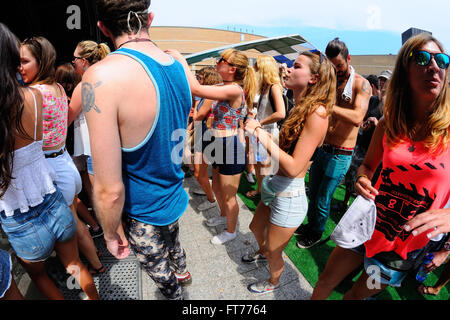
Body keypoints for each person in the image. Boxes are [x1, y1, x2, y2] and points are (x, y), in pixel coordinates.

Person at [311, 33, 450, 300]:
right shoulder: (390, 123)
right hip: (365, 224)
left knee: (356, 296)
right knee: (326, 280)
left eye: (441, 60)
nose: (434, 66)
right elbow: (369, 166)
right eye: (422, 58)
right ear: (404, 72)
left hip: (401, 247)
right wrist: (362, 178)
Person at [84, 0, 192, 300]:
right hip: (172, 191)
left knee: (158, 267)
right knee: (174, 242)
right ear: (150, 19)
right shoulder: (178, 65)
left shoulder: (103, 76)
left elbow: (108, 189)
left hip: (141, 209)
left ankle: (176, 294)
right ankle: (183, 271)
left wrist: (109, 231)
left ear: (103, 28)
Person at [1, 23, 98, 300]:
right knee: (74, 264)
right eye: (17, 61)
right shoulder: (37, 94)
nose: (21, 67)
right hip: (53, 192)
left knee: (40, 275)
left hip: (23, 213)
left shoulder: (29, 96)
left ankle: (97, 260)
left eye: (25, 61)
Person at [242, 51, 336, 294]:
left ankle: (273, 281)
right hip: (275, 184)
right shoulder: (299, 106)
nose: (287, 69)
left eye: (296, 66)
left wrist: (261, 135)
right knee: (255, 227)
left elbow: (294, 167)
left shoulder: (317, 113)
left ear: (314, 78)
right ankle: (264, 254)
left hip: (290, 195)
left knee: (275, 249)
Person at [167, 48, 257, 245]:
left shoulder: (234, 89)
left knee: (229, 195)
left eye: (221, 60)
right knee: (217, 186)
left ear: (232, 69)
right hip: (216, 143)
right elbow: (197, 87)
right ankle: (224, 216)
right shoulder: (222, 85)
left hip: (230, 147)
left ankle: (231, 231)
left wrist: (181, 58)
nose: (217, 62)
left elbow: (197, 90)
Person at [296, 38, 371, 248]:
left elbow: (357, 117)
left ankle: (317, 232)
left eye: (339, 65)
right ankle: (311, 225)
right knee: (313, 191)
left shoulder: (361, 84)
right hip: (323, 148)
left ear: (348, 59)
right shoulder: (329, 82)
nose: (336, 70)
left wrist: (328, 106)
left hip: (341, 153)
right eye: (332, 66)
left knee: (323, 197)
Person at [69, 40, 111, 240]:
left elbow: (66, 119)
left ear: (84, 61)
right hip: (107, 143)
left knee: (100, 193)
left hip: (92, 145)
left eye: (75, 59)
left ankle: (113, 234)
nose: (73, 63)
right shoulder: (107, 79)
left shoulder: (83, 86)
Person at [245, 55, 286, 199]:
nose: (255, 71)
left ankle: (266, 197)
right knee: (258, 163)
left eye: (257, 68)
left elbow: (281, 113)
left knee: (265, 166)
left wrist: (260, 123)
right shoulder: (265, 87)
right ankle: (260, 190)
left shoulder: (274, 87)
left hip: (268, 131)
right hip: (260, 131)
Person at [192, 67, 222, 211]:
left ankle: (211, 199)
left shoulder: (209, 96)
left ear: (208, 79)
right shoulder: (208, 94)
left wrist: (197, 104)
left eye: (200, 77)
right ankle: (208, 190)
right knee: (199, 172)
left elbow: (197, 116)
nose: (198, 80)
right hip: (202, 134)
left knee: (199, 172)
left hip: (207, 136)